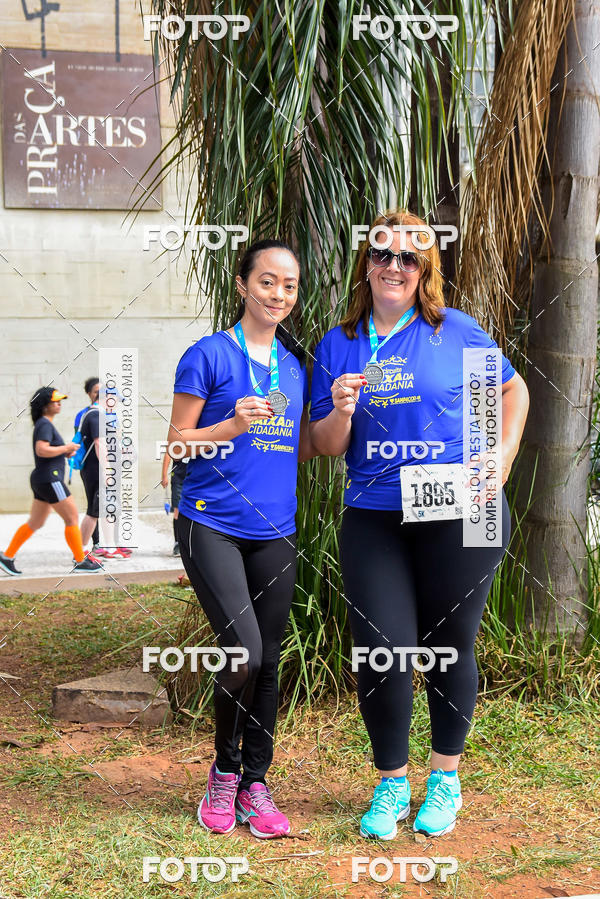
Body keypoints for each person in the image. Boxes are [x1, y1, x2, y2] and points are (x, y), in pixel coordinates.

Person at [309, 210, 529, 839]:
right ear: (367, 264)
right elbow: (325, 444)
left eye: (409, 257)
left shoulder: (453, 330)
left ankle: (445, 780)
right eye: (383, 254)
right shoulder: (339, 343)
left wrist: (502, 455)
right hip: (375, 515)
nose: (394, 266)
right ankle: (391, 784)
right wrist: (341, 411)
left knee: (451, 642)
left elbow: (511, 393)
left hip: (464, 508)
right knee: (383, 649)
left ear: (425, 269)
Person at [169, 239, 314, 839]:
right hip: (212, 524)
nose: (278, 294)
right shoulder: (208, 355)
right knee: (242, 654)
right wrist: (231, 425)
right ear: (241, 285)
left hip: (275, 529)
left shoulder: (295, 365)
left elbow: (303, 446)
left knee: (268, 660)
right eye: (267, 281)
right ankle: (223, 773)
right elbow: (177, 443)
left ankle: (256, 782)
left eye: (289, 285)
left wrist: (343, 413)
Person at [0, 387, 103, 576]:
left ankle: (7, 556)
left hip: (42, 479)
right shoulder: (44, 424)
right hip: (50, 479)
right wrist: (66, 448)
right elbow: (41, 450)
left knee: (35, 522)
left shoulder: (43, 424)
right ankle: (80, 560)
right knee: (72, 517)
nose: (59, 403)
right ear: (44, 405)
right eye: (55, 401)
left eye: (60, 400)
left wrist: (65, 452)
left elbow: (47, 450)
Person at [160, 453, 189, 555]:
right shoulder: (178, 442)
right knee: (177, 511)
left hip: (195, 478)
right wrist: (164, 475)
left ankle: (191, 542)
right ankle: (178, 543)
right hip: (179, 478)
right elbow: (168, 454)